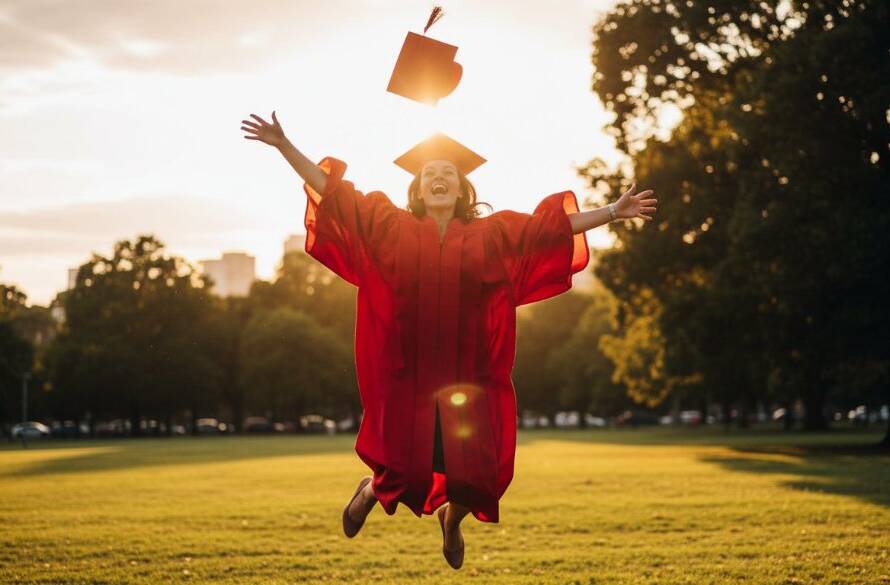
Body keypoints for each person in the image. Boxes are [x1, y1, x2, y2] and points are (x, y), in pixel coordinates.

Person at [240, 111, 656, 569]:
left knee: (478, 480)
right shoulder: (389, 225)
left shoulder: (491, 234)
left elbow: (550, 229)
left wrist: (614, 212)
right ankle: (369, 491)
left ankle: (450, 521)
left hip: (469, 376)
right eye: (429, 174)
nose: (439, 178)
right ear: (417, 190)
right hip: (409, 374)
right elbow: (334, 193)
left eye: (448, 174)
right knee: (401, 469)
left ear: (462, 189)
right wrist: (284, 145)